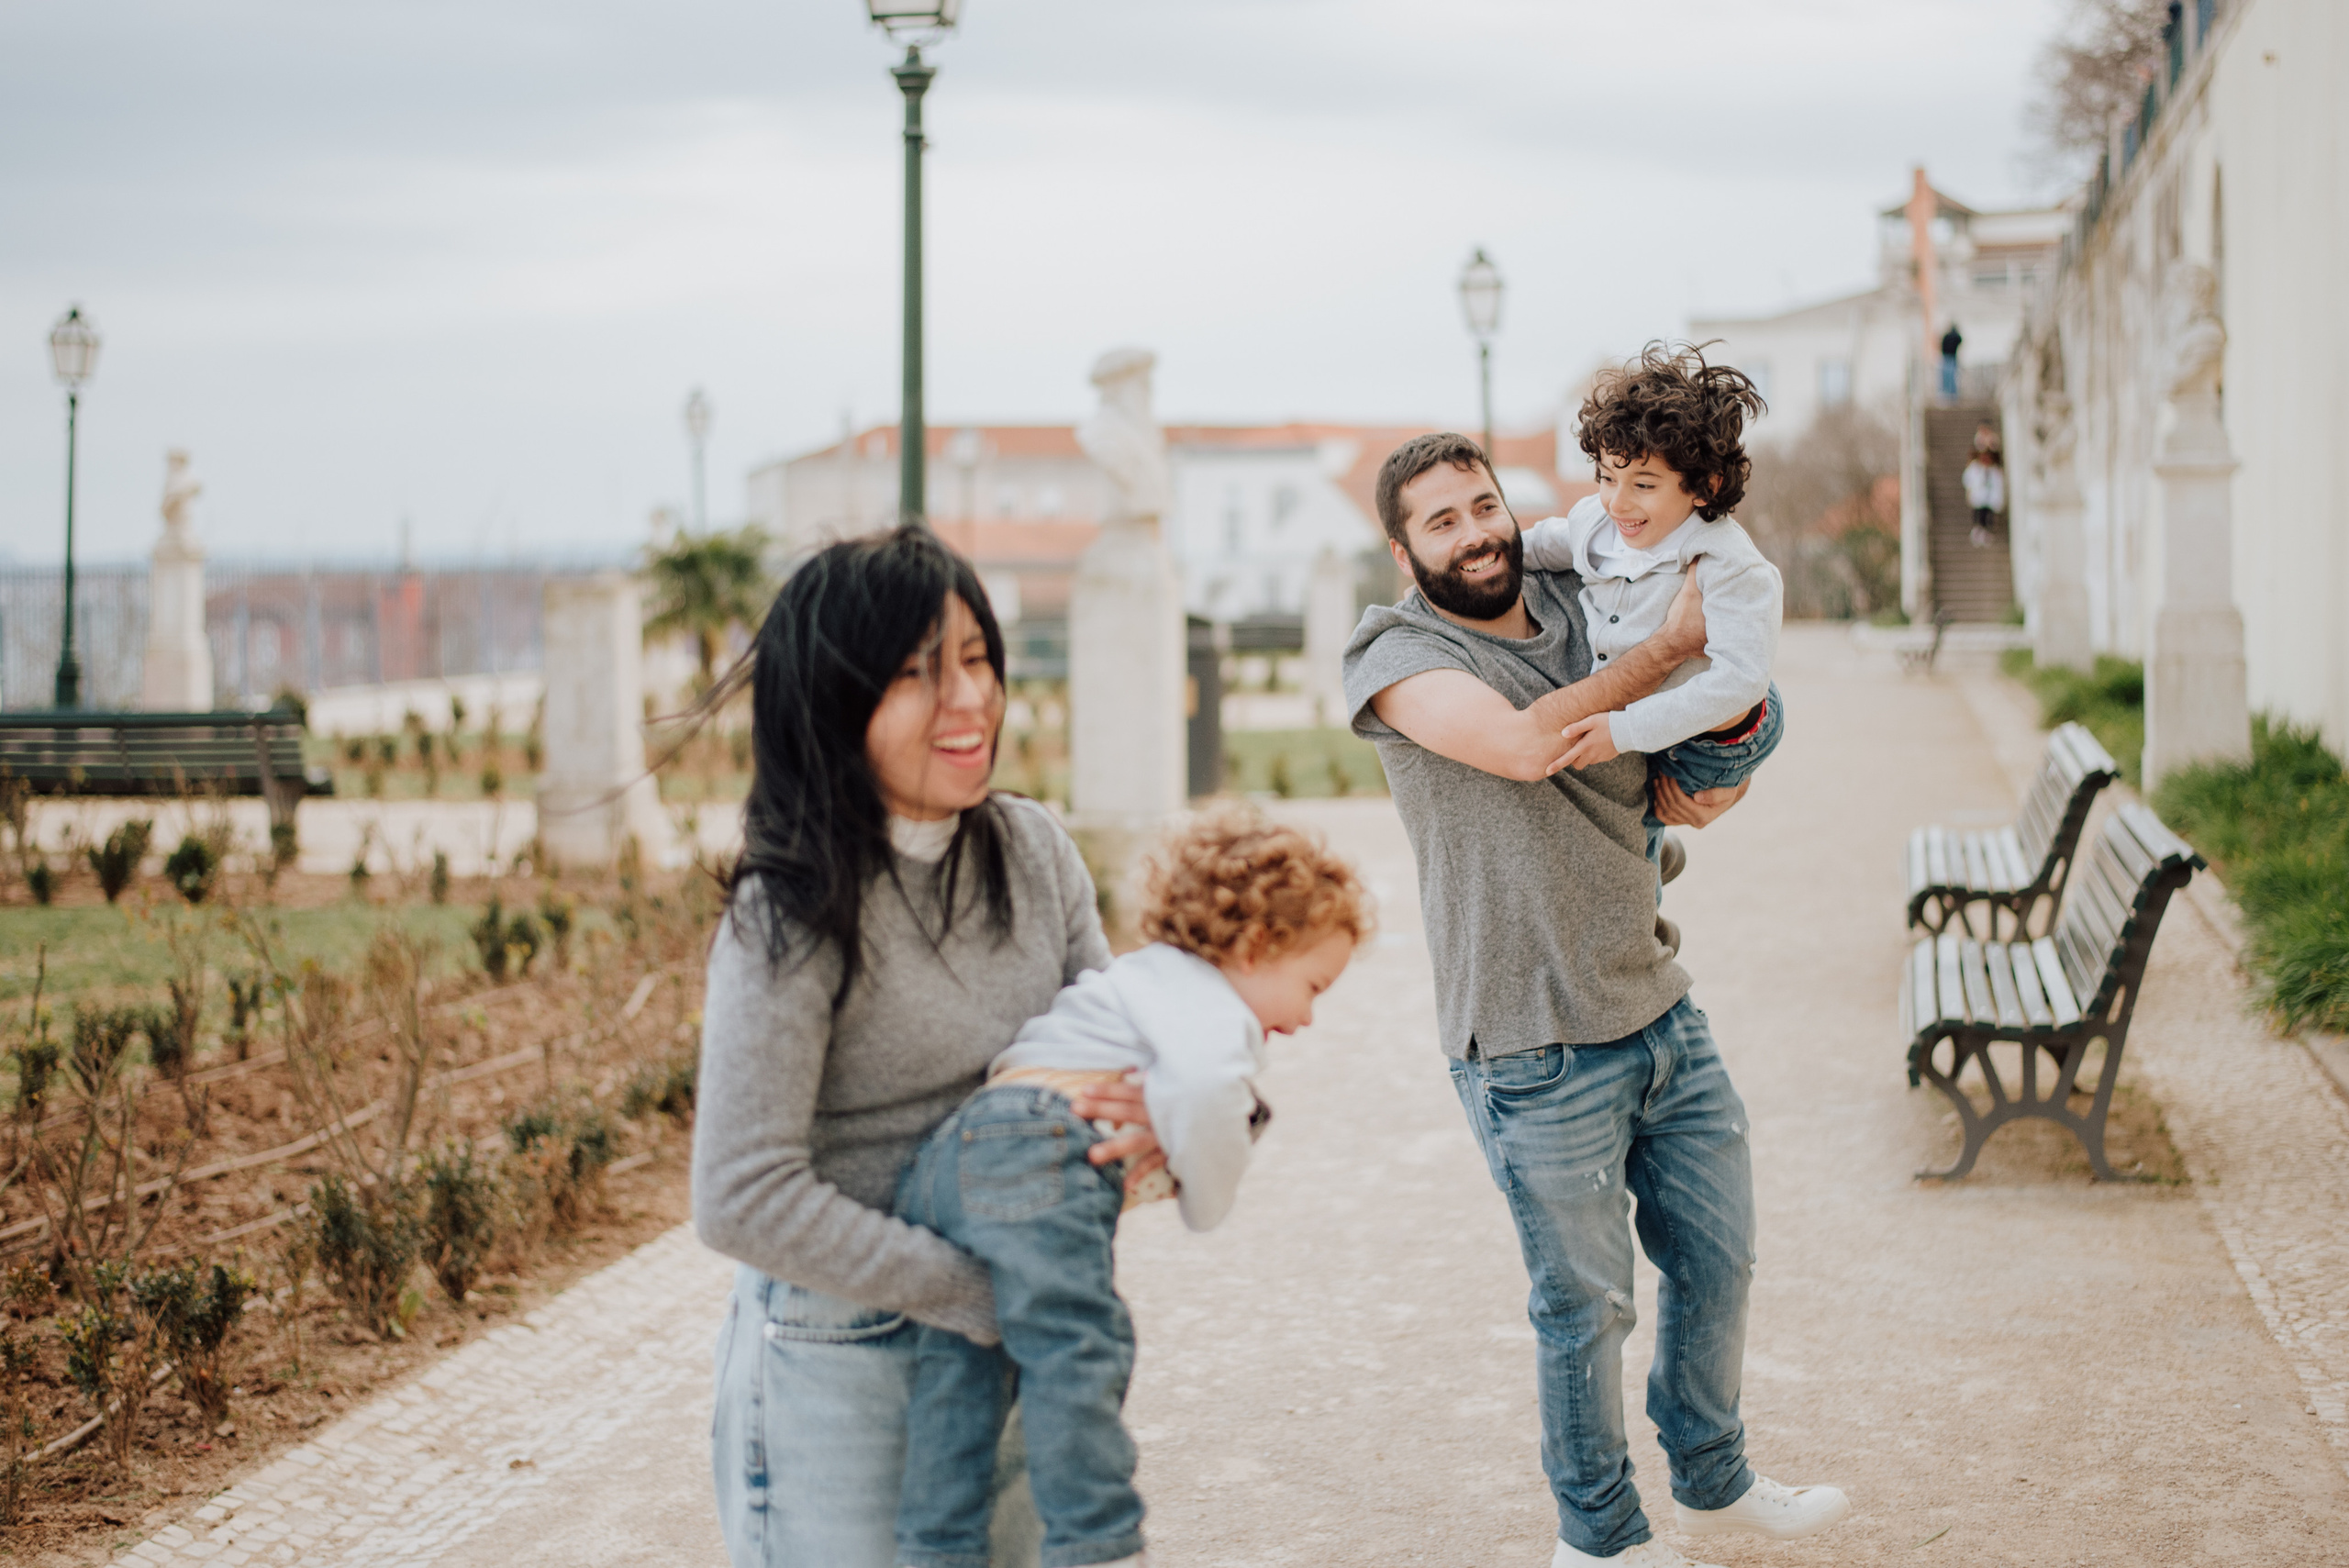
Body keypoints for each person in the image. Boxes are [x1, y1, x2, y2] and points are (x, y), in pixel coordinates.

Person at [1341, 430, 1850, 1568]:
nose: (1475, 532)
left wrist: (1721, 769)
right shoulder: (1393, 653)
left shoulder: (1579, 591)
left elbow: (1717, 701)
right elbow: (1529, 747)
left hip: (1655, 995)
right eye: (1441, 519)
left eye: (1484, 505)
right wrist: (1671, 645)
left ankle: (1713, 1484)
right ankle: (1603, 1542)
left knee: (1720, 1259)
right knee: (1586, 1308)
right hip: (1528, 1036)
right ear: (1400, 547)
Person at [693, 526, 1162, 1568]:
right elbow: (738, 1190)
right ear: (833, 699)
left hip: (1009, 1351)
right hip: (843, 1357)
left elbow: (1112, 1046)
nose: (968, 699)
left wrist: (1174, 1113)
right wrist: (985, 1287)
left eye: (975, 658)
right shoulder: (790, 907)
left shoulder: (1031, 850)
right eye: (914, 673)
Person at [891, 807, 1372, 1568]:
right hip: (1037, 1145)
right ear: (1255, 945)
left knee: (970, 1367)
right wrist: (1205, 1198)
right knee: (1080, 1348)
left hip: (955, 1156)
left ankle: (936, 1545)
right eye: (1312, 984)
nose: (1308, 1016)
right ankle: (1098, 1543)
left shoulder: (1144, 974)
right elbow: (1207, 1087)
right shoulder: (1212, 1009)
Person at [1523, 344, 1785, 928]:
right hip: (1658, 711)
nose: (1618, 502)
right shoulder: (1600, 522)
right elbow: (1545, 543)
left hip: (1719, 733)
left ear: (1703, 486)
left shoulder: (1729, 565)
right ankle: (1656, 849)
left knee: (1644, 812)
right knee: (1622, 795)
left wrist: (1624, 728)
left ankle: (1644, 922)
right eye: (1607, 478)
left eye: (1643, 484)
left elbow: (1740, 682)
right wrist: (1494, 557)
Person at [1964, 446, 2006, 548]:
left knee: (1988, 516)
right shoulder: (1975, 468)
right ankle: (1978, 533)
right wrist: (1969, 492)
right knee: (1979, 515)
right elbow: (1968, 480)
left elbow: (1998, 485)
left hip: (1989, 498)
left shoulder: (1994, 470)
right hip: (1979, 496)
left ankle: (1986, 534)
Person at [1939, 323, 1964, 399]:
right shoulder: (1955, 337)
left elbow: (1942, 345)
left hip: (1947, 358)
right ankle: (1952, 394)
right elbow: (1960, 341)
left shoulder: (1947, 336)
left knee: (1948, 377)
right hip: (1951, 358)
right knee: (1952, 377)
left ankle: (1948, 394)